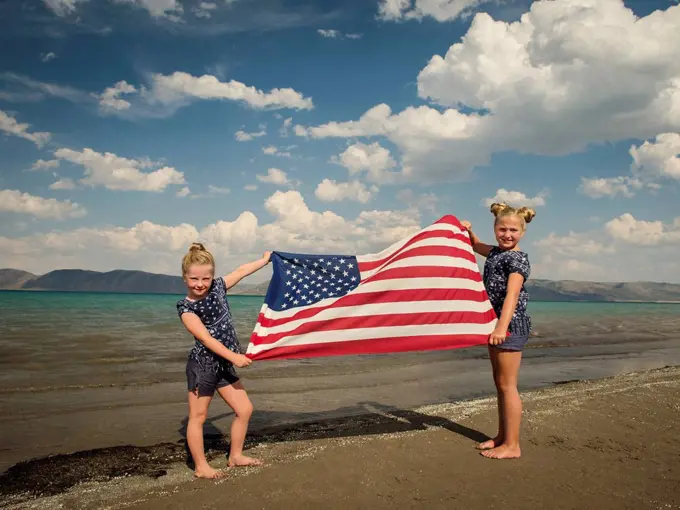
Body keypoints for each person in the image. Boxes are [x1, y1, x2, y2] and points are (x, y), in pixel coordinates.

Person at [177, 243, 271, 478]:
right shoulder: (186, 308)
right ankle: (200, 467)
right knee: (198, 417)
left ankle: (235, 455)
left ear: (212, 277)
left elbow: (240, 271)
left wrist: (265, 260)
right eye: (194, 279)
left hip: (223, 366)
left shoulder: (218, 288)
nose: (200, 284)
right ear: (185, 277)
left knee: (245, 409)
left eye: (206, 278)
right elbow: (206, 339)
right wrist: (235, 357)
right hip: (203, 367)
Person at [461, 203, 535, 460]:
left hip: (510, 326)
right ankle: (503, 436)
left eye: (513, 230)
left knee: (508, 386)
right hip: (496, 326)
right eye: (502, 229)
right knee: (500, 384)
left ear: (522, 233)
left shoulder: (517, 258)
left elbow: (512, 296)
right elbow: (474, 245)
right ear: (495, 229)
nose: (508, 234)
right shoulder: (494, 253)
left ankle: (513, 445)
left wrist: (501, 327)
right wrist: (468, 232)